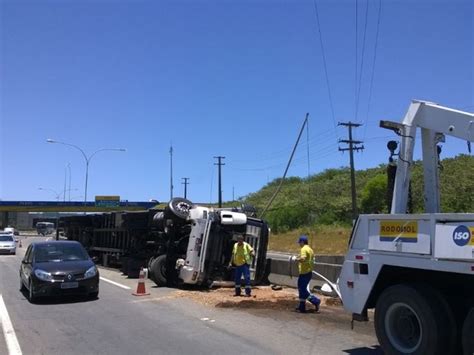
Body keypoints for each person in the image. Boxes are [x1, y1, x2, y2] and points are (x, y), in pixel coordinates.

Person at [292, 235, 321, 313]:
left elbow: (303, 259)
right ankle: (302, 307)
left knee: (303, 290)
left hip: (304, 273)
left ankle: (316, 301)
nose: (299, 244)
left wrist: (295, 259)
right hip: (308, 272)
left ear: (302, 242)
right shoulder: (310, 249)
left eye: (299, 242)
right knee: (302, 290)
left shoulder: (303, 249)